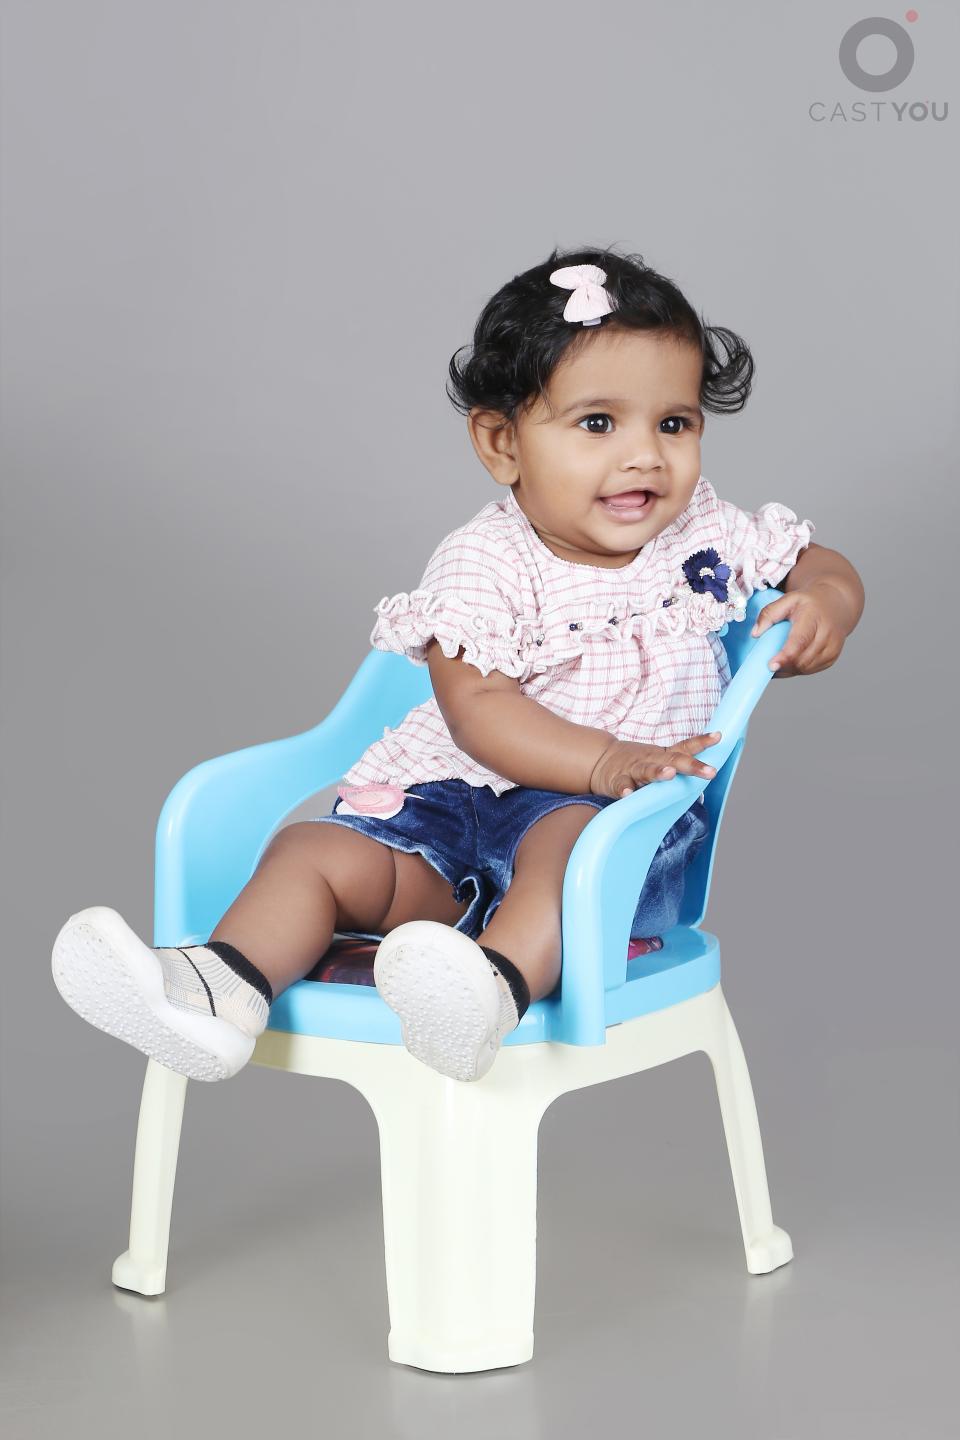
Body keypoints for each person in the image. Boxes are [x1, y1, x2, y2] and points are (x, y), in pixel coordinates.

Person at [51, 245, 864, 1086]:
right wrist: (602, 753)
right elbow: (479, 710)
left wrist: (826, 601)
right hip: (447, 815)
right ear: (501, 442)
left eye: (674, 424)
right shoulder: (483, 561)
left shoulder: (705, 530)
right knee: (311, 851)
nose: (645, 457)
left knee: (564, 844)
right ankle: (217, 993)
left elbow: (821, 563)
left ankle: (485, 993)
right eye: (597, 424)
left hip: (611, 837)